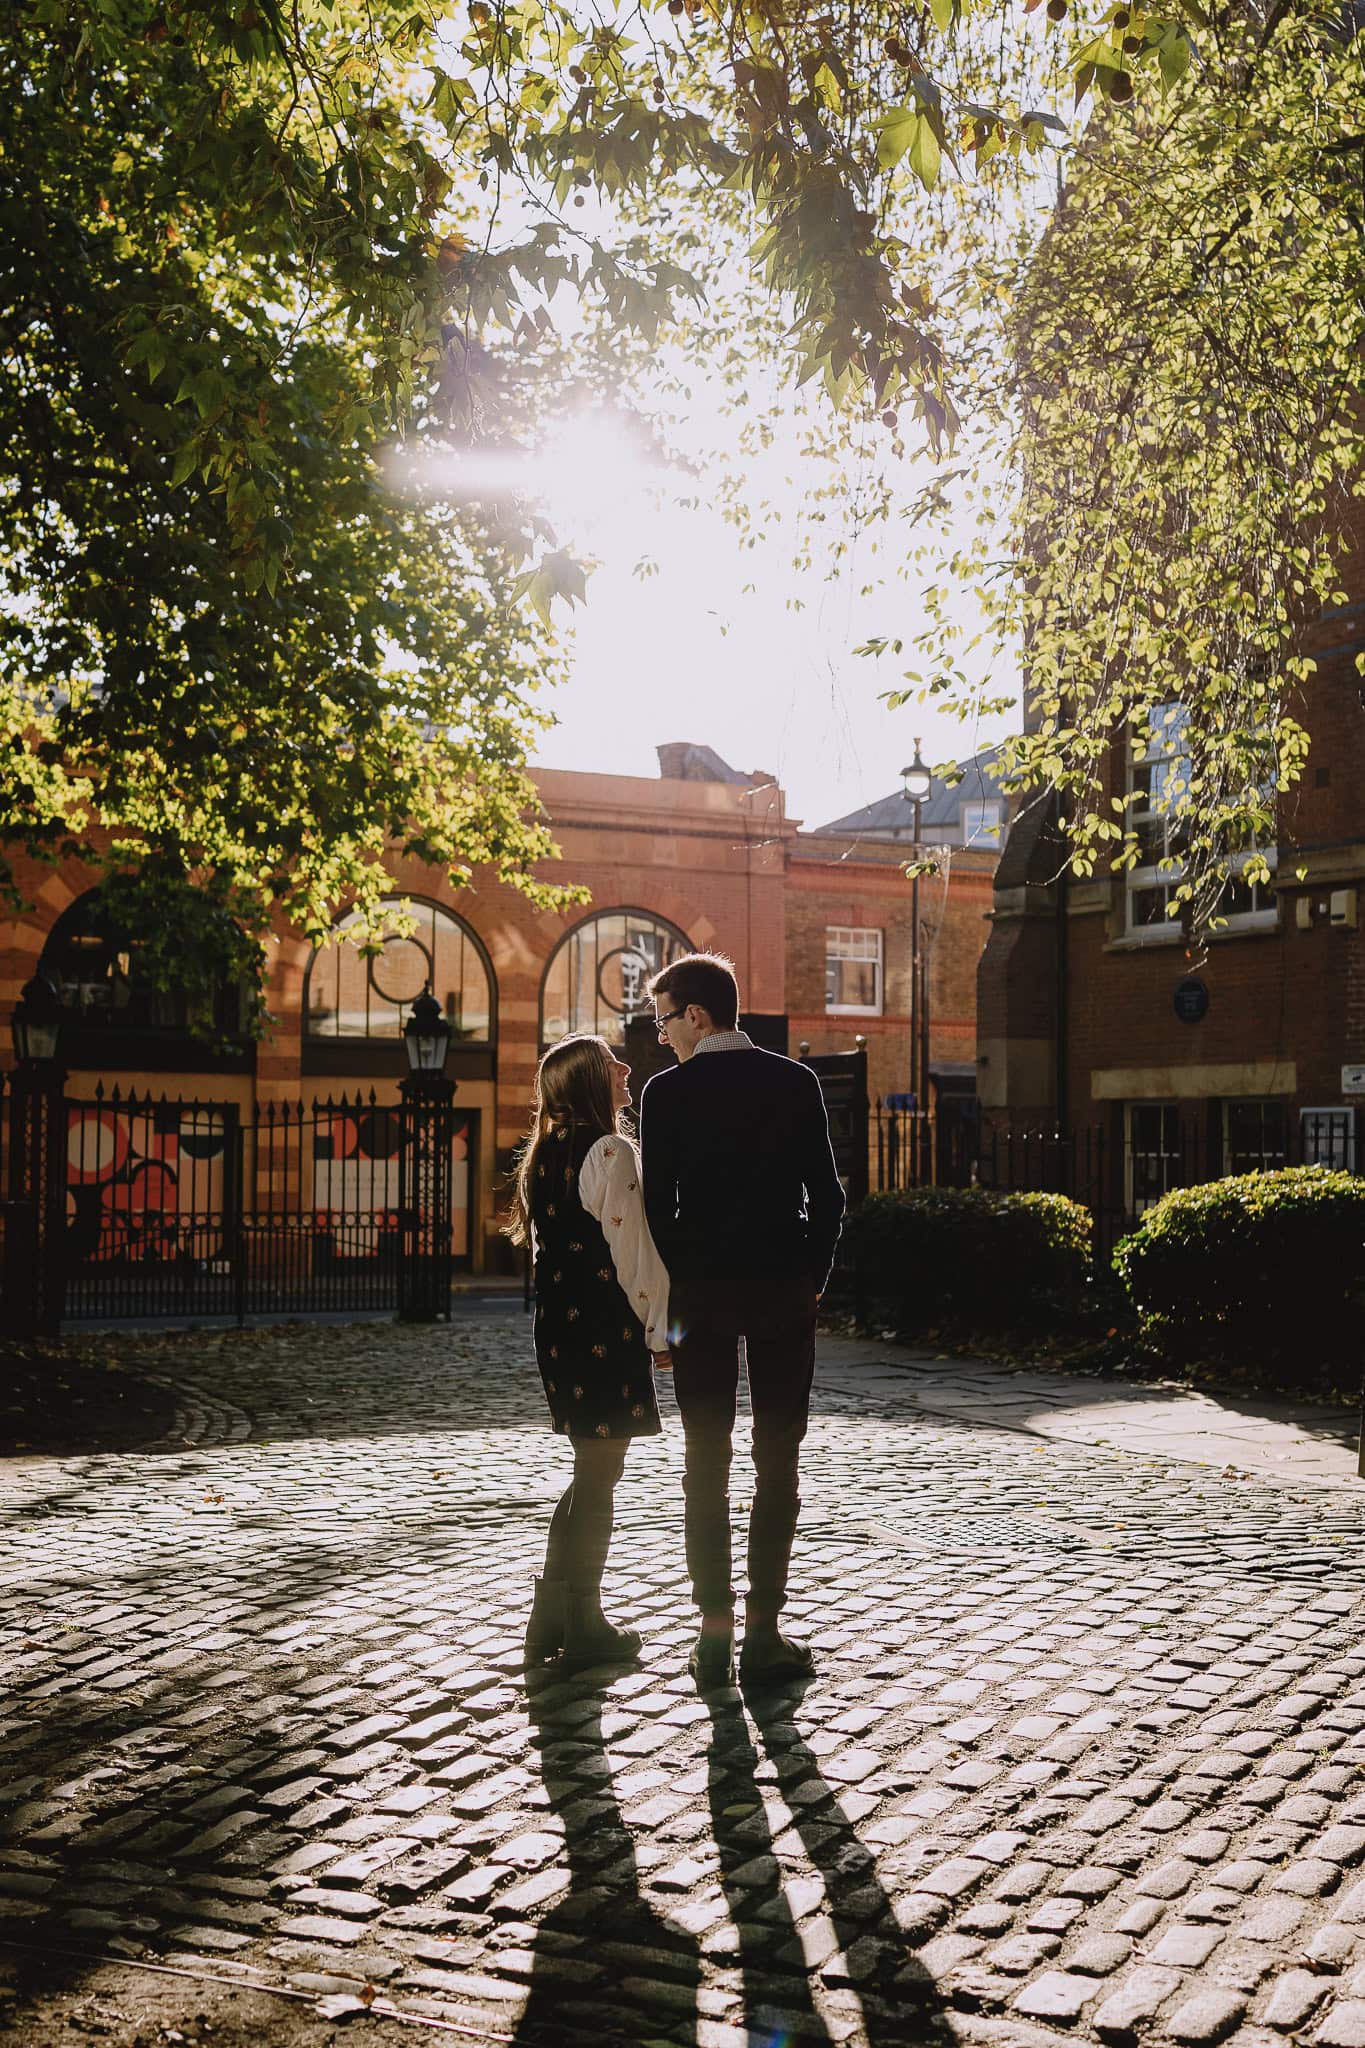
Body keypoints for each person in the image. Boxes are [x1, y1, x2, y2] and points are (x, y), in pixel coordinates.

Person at [640, 953, 845, 1690]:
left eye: (663, 1018)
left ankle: (709, 1637)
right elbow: (826, 1197)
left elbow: (657, 1209)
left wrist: (683, 1282)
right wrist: (810, 1282)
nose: (659, 1035)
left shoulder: (665, 1095)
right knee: (777, 1463)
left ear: (696, 1015)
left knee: (705, 1466)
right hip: (781, 1291)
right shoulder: (794, 1082)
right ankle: (764, 1633)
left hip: (702, 1301)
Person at [508, 1032, 671, 1675]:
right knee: (600, 1480)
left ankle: (552, 1614)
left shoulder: (544, 1154)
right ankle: (585, 1621)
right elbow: (637, 1261)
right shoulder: (609, 1150)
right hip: (605, 1332)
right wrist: (663, 1336)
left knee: (588, 1474)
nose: (626, 1069)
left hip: (561, 1333)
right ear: (587, 1082)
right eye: (611, 1065)